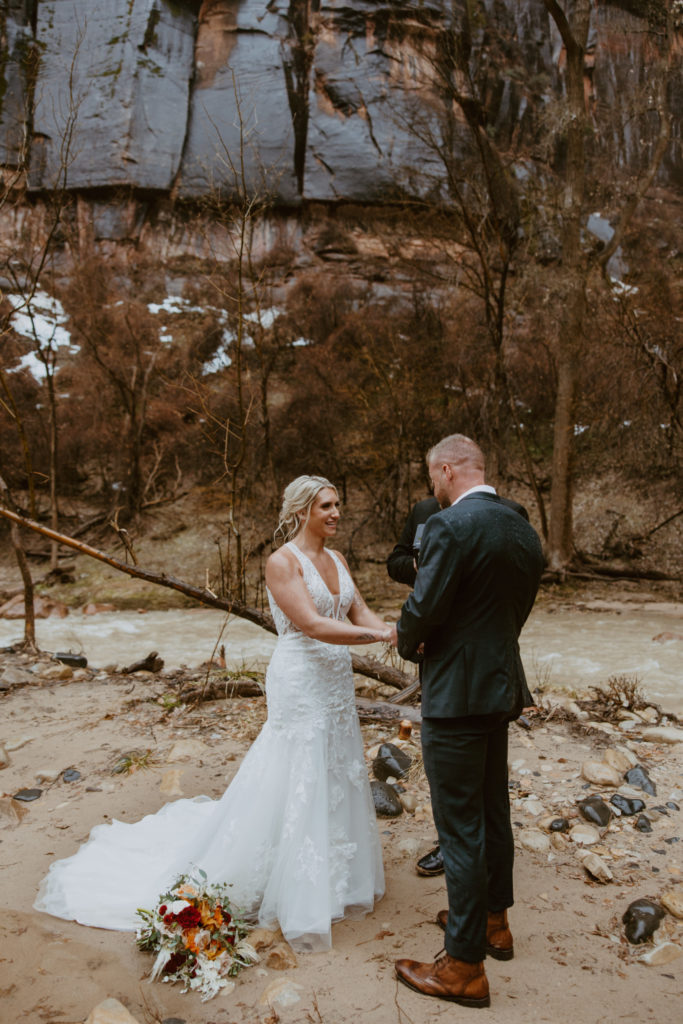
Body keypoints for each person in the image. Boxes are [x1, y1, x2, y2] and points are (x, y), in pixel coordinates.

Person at [34, 475, 390, 952]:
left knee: (337, 765)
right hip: (302, 679)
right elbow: (311, 624)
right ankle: (292, 883)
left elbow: (359, 611)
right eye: (326, 505)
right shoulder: (282, 562)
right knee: (299, 767)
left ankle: (338, 873)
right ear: (302, 511)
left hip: (337, 682)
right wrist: (377, 639)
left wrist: (394, 628)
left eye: (338, 503)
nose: (336, 513)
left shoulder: (339, 560)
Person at [390, 435, 543, 1008]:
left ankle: (462, 966)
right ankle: (494, 923)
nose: (432, 488)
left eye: (434, 478)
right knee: (491, 808)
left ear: (448, 470)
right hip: (501, 686)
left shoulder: (449, 527)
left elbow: (422, 610)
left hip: (455, 692)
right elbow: (507, 612)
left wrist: (412, 642)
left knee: (459, 826)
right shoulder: (523, 528)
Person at [387, 490, 529, 879]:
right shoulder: (424, 511)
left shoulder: (509, 514)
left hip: (487, 660)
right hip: (436, 647)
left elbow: (520, 578)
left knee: (486, 773)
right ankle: (453, 846)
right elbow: (395, 561)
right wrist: (425, 567)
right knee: (448, 770)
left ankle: (476, 855)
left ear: (450, 471)